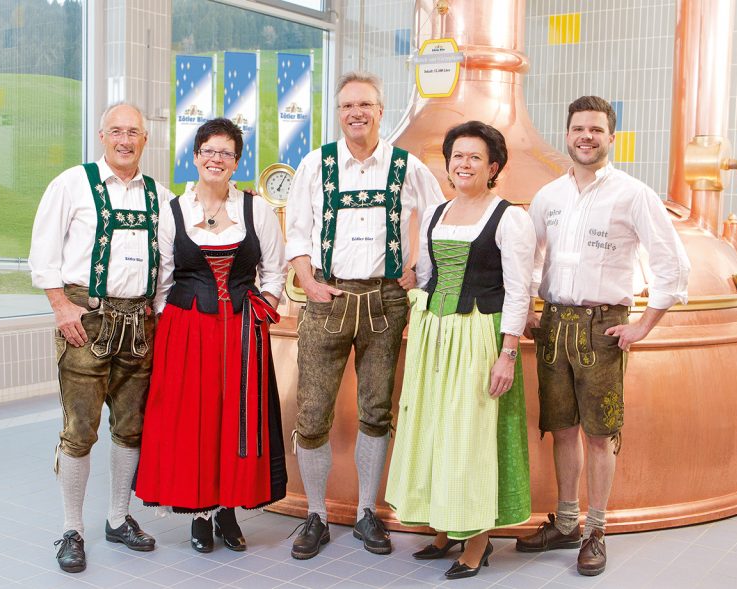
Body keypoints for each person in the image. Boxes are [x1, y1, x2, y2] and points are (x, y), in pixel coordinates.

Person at [515, 96, 690, 576]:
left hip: (602, 328)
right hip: (554, 326)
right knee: (562, 429)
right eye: (578, 129)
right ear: (567, 135)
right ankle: (565, 522)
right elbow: (531, 257)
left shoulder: (633, 195)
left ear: (611, 137)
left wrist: (643, 325)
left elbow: (672, 264)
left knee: (599, 434)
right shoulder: (549, 196)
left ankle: (595, 529)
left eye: (595, 130)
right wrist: (529, 308)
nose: (586, 137)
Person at [285, 71, 445, 560]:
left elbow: (439, 221)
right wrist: (309, 281)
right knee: (312, 411)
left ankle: (365, 513)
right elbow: (297, 230)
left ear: (380, 111)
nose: (356, 113)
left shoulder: (407, 166)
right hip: (328, 298)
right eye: (347, 105)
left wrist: (420, 272)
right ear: (339, 113)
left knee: (377, 411)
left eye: (365, 105)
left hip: (384, 300)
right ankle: (316, 514)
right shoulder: (316, 164)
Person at [385, 121, 534, 580]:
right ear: (448, 165)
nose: (464, 164)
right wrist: (413, 280)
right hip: (436, 336)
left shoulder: (510, 218)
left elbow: (519, 291)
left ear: (493, 167)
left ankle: (477, 540)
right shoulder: (437, 212)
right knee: (436, 428)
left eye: (475, 157)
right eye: (457, 156)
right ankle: (445, 526)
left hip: (478, 336)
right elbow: (431, 276)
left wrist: (507, 353)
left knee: (471, 434)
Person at [29, 103, 172, 573]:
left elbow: (169, 266)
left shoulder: (160, 197)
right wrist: (60, 306)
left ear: (145, 139)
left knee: (131, 427)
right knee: (80, 429)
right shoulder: (71, 184)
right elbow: (43, 252)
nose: (125, 140)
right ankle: (72, 528)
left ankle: (117, 518)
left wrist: (158, 312)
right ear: (102, 135)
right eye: (116, 131)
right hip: (85, 320)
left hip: (140, 324)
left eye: (133, 132)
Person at [134, 118, 287, 553]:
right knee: (194, 421)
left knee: (234, 419)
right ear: (196, 156)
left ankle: (228, 509)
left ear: (236, 162)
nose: (216, 159)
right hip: (187, 329)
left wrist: (261, 312)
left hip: (241, 330)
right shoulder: (174, 212)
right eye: (209, 150)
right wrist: (171, 329)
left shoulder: (256, 210)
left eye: (226, 153)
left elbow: (274, 271)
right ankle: (199, 515)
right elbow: (163, 280)